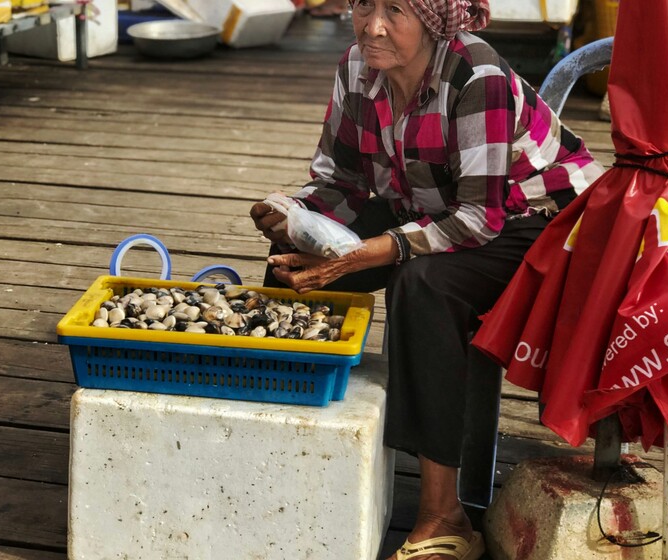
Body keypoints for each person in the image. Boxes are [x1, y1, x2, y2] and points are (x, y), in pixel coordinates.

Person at [250, 1, 603, 559]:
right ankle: (280, 423)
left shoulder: (475, 76)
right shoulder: (355, 67)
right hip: (425, 206)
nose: (374, 26)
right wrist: (292, 210)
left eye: (397, 9)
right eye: (365, 5)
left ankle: (446, 518)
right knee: (288, 249)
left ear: (437, 18)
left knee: (423, 283)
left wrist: (369, 253)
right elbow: (340, 180)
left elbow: (477, 218)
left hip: (535, 225)